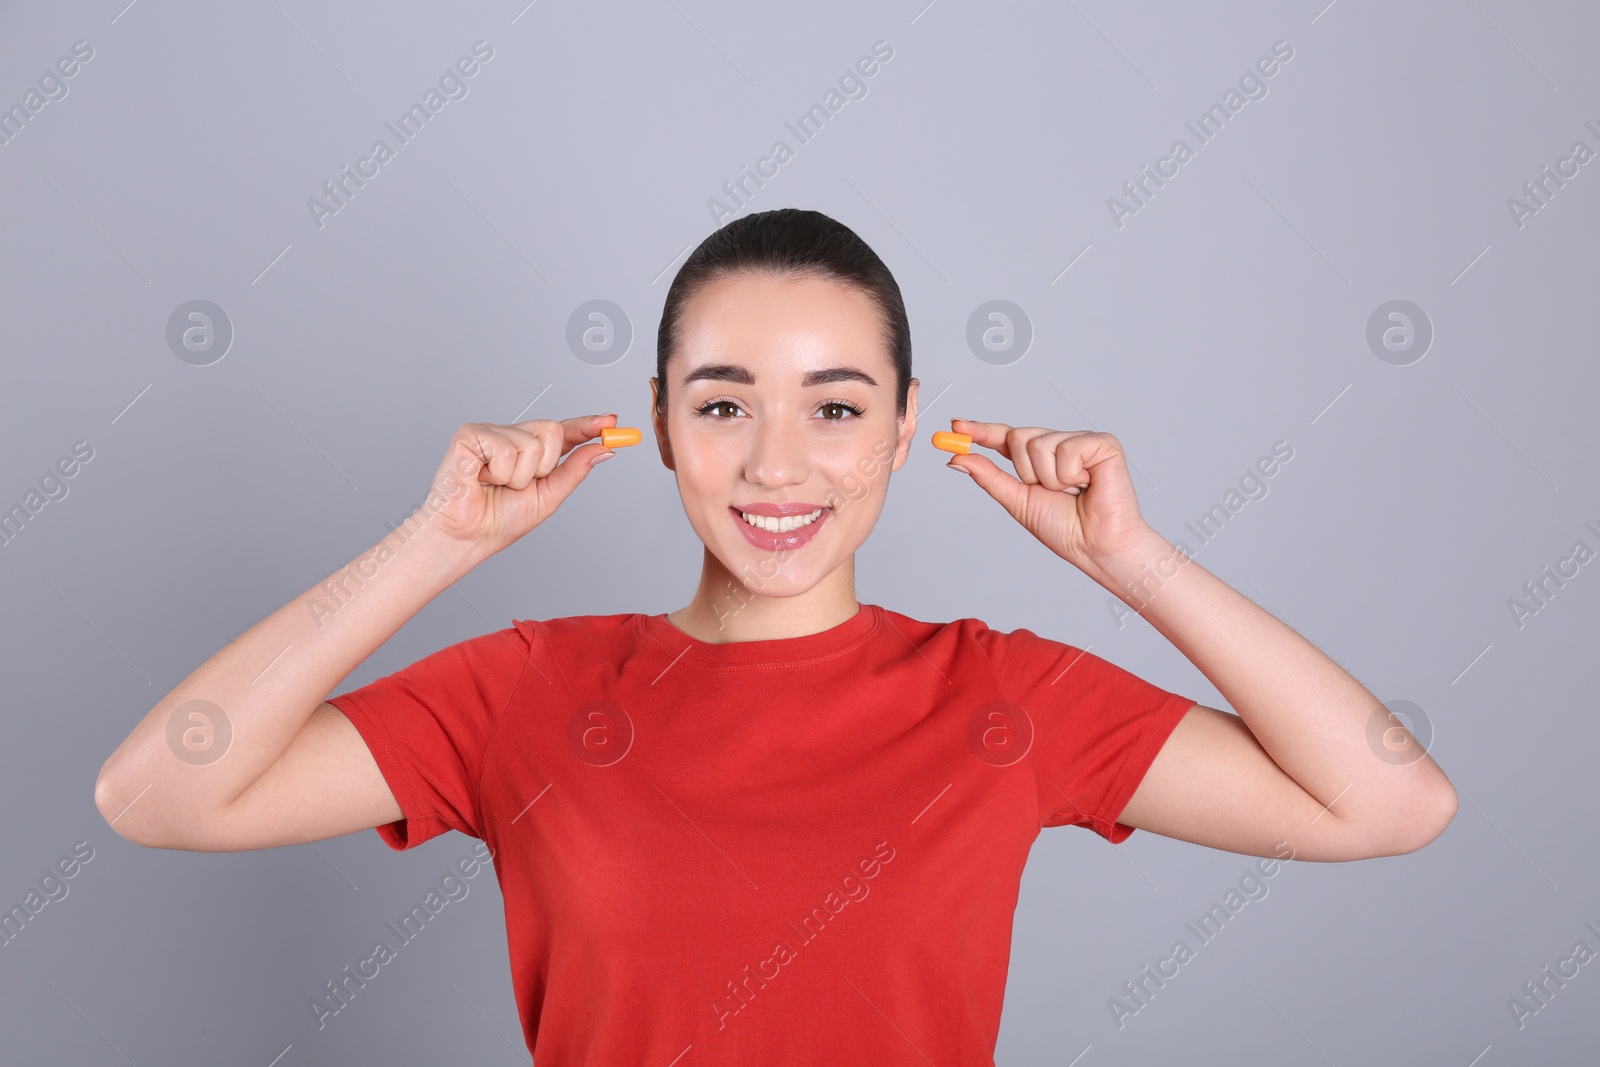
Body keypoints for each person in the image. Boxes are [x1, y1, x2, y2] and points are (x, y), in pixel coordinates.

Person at [93, 207, 1457, 1064]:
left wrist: (1134, 560)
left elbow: (1389, 800)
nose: (778, 466)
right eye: (728, 404)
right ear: (662, 419)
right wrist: (436, 544)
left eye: (839, 406)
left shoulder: (1003, 696)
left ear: (907, 423)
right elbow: (158, 792)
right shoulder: (530, 688)